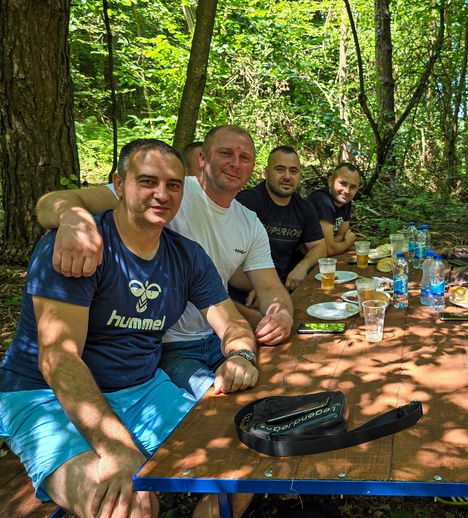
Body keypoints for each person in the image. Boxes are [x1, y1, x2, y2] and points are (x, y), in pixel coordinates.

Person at [0, 139, 258, 518]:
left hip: (141, 389)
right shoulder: (80, 247)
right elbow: (58, 359)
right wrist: (116, 447)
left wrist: (240, 354)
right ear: (118, 184)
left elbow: (232, 322)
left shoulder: (186, 256)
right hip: (43, 396)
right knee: (128, 505)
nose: (162, 194)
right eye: (148, 181)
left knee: (240, 469)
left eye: (173, 185)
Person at [36, 125, 294, 400]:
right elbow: (52, 203)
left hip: (220, 335)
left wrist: (282, 314)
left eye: (245, 158)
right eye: (225, 153)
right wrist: (74, 219)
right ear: (203, 160)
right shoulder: (165, 190)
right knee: (217, 406)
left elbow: (270, 288)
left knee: (276, 386)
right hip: (164, 345)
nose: (235, 163)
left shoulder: (247, 221)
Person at [230, 146, 326, 292]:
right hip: (246, 289)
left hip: (284, 286)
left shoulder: (304, 207)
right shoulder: (248, 203)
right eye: (280, 169)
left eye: (293, 171)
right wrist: (260, 288)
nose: (287, 176)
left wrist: (302, 267)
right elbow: (228, 258)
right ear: (266, 173)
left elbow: (320, 247)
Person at [307, 162, 360, 256]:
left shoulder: (345, 201)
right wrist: (348, 243)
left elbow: (341, 236)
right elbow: (328, 249)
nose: (347, 191)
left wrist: (332, 243)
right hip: (299, 259)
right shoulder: (322, 201)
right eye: (342, 184)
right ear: (330, 182)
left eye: (352, 187)